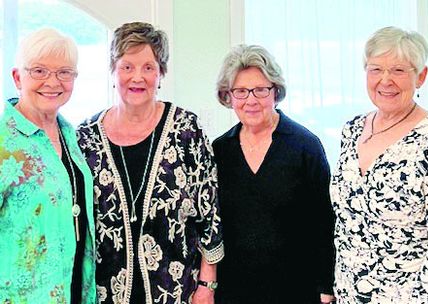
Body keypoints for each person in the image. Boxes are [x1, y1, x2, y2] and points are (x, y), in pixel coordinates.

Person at [77, 22, 224, 304]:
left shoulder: (186, 129)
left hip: (176, 290)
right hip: (104, 292)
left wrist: (207, 284)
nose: (137, 77)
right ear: (113, 70)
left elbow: (210, 212)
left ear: (161, 73)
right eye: (127, 67)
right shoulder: (85, 137)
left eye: (148, 67)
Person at [330, 26, 428, 303]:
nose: (385, 80)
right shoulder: (352, 129)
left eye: (399, 70)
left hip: (412, 297)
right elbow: (344, 221)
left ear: (421, 76)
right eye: (376, 69)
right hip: (350, 291)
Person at [212, 44, 336, 304]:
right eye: (241, 91)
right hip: (235, 290)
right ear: (229, 96)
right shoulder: (220, 151)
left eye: (260, 90)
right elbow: (212, 225)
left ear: (276, 92)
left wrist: (326, 287)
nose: (251, 100)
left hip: (296, 288)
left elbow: (324, 221)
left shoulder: (305, 146)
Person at [0, 28, 96, 303]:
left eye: (64, 72)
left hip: (74, 288)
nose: (53, 82)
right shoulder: (4, 143)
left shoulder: (71, 135)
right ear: (18, 77)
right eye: (39, 71)